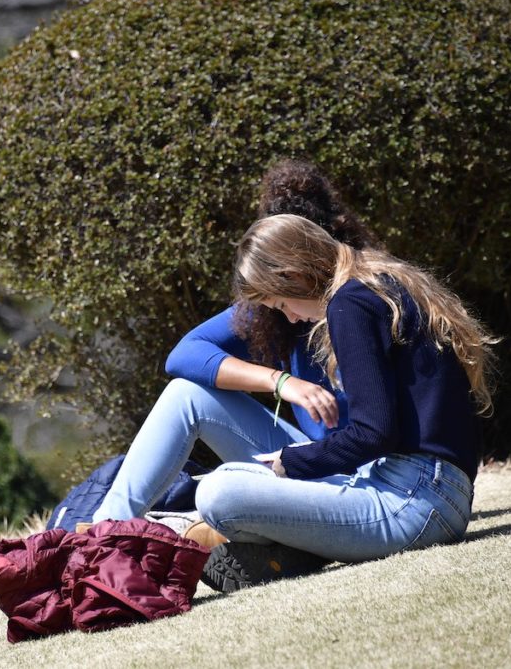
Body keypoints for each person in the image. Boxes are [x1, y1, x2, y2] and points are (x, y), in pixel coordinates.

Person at [91, 160, 376, 528]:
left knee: (219, 493)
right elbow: (185, 355)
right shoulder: (277, 308)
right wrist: (281, 382)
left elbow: (383, 429)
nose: (286, 306)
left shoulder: (362, 299)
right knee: (185, 394)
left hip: (365, 474)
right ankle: (105, 530)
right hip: (314, 463)